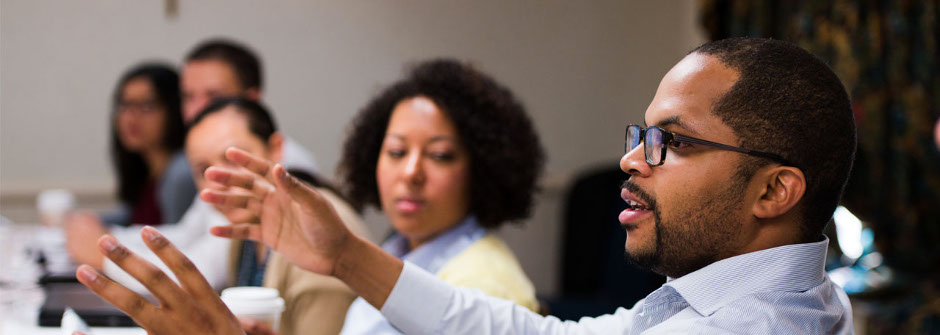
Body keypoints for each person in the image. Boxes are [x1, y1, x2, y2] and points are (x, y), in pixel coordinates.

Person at [74, 37, 857, 334]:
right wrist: (348, 254)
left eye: (672, 142)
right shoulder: (731, 300)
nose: (633, 159)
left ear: (773, 190)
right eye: (640, 135)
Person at [337, 59, 544, 333]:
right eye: (397, 152)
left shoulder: (487, 283)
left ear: (482, 170)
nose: (411, 172)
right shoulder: (398, 248)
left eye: (440, 155)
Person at [187, 97, 370, 335]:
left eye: (233, 160)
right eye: (203, 170)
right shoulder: (244, 228)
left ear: (276, 149)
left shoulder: (317, 224)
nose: (218, 179)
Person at [65, 63, 196, 268]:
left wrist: (105, 235)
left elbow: (177, 246)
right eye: (124, 105)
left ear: (173, 109)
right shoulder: (147, 166)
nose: (130, 117)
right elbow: (132, 214)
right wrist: (92, 220)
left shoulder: (181, 174)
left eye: (146, 105)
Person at [181, 38, 319, 172]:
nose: (196, 110)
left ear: (251, 99)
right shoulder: (193, 158)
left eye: (215, 97)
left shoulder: (294, 170)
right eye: (188, 96)